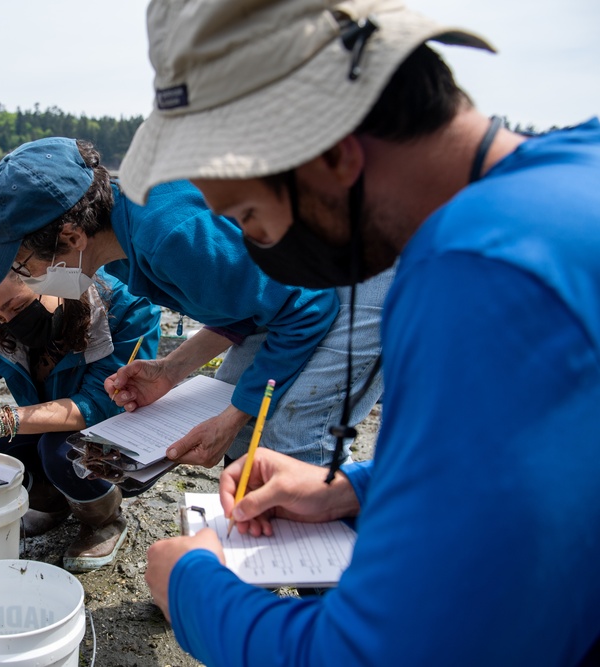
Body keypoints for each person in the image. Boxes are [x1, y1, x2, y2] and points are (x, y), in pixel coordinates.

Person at [122, 0, 600, 665]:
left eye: (251, 215)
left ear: (334, 154)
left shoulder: (478, 275)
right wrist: (351, 490)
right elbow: (543, 496)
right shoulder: (575, 170)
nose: (257, 246)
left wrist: (192, 586)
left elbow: (380, 653)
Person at [0, 136, 386, 475]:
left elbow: (304, 309)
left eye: (26, 263)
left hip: (365, 266)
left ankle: (337, 572)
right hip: (299, 286)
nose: (30, 277)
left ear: (72, 236)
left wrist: (234, 416)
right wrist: (170, 370)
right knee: (244, 437)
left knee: (294, 443)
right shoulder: (119, 248)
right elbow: (249, 305)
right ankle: (266, 565)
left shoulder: (169, 236)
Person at [0, 269, 160, 571]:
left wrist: (1, 419)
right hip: (42, 427)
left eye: (17, 307)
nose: (9, 322)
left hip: (119, 433)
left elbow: (100, 403)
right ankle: (51, 503)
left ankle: (104, 520)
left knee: (61, 452)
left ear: (56, 277)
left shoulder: (128, 307)